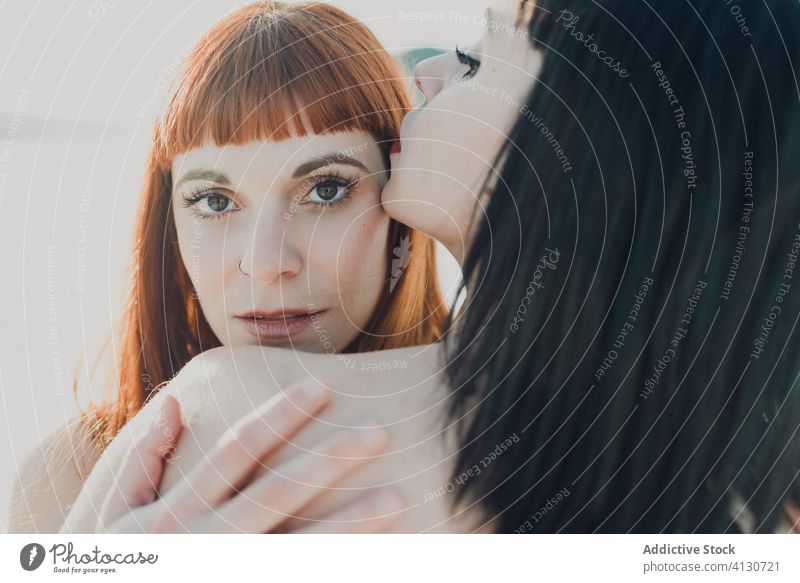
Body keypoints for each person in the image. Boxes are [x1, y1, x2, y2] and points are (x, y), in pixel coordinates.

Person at [17, 0, 800, 533]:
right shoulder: (724, 446)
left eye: (475, 58)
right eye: (213, 201)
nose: (265, 264)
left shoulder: (222, 415)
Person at [8, 1, 447, 534]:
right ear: (168, 225)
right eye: (215, 202)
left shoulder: (520, 446)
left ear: (397, 211)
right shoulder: (71, 476)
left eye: (326, 190)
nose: (265, 265)